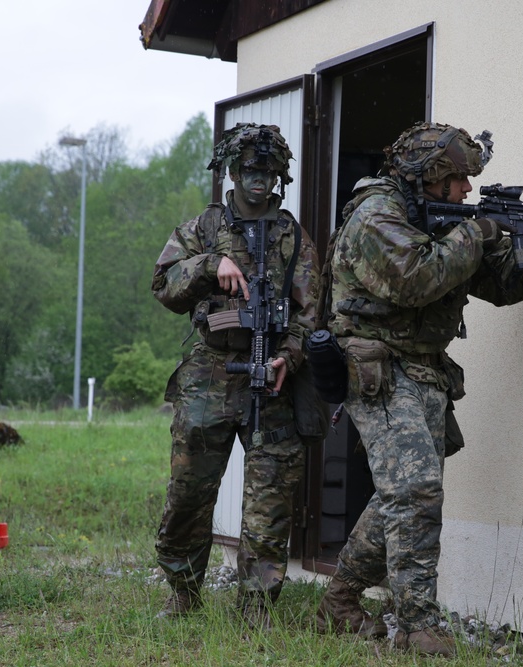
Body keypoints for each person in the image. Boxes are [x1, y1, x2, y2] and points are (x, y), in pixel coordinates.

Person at [313, 121, 523, 656]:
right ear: (431, 177)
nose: (467, 191)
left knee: (402, 493)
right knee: (415, 490)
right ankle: (418, 625)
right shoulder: (376, 216)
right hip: (375, 367)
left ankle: (341, 601)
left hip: (424, 371)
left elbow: (501, 283)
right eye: (460, 180)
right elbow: (415, 278)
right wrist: (479, 231)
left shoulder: (446, 220)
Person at [151, 123, 321, 629]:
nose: (259, 181)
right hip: (210, 371)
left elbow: (312, 311)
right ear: (232, 171)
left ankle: (256, 607)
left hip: (272, 377)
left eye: (269, 172)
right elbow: (162, 284)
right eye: (250, 170)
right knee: (189, 491)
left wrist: (288, 355)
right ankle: (183, 591)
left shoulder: (292, 236)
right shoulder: (201, 229)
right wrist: (210, 264)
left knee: (270, 499)